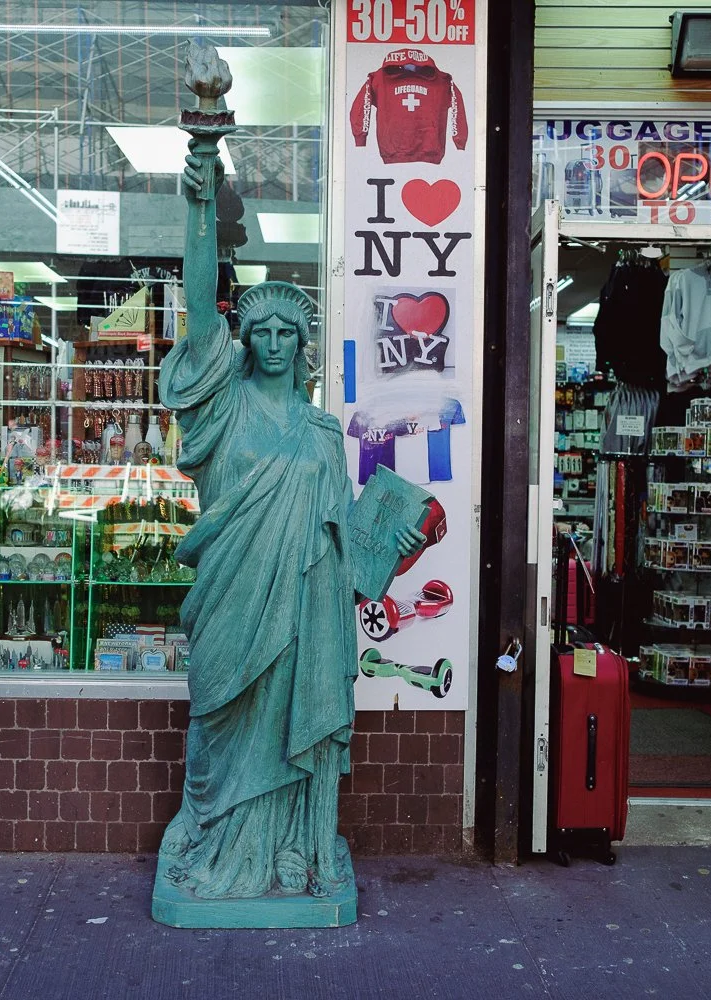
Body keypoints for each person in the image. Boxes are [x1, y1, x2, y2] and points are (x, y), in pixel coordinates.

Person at [157, 136, 424, 901]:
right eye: (261, 332)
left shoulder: (321, 433)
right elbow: (198, 303)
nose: (273, 343)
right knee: (221, 720)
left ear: (303, 346)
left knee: (287, 730)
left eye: (287, 334)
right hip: (232, 605)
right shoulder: (222, 408)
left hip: (303, 618)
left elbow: (345, 535)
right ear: (243, 342)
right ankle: (218, 840)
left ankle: (287, 852)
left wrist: (389, 542)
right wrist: (202, 203)